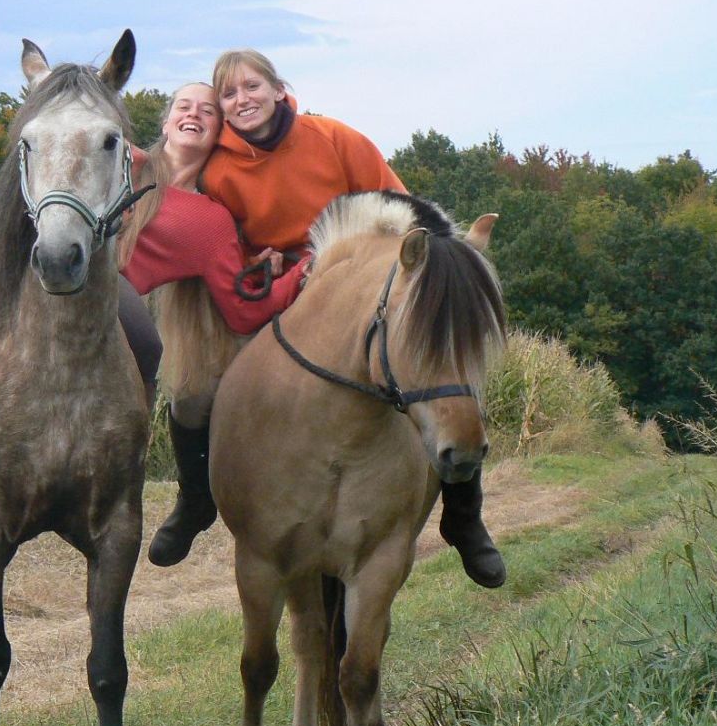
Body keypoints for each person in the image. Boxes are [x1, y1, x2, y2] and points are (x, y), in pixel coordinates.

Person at [146, 48, 506, 588]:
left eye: (252, 87)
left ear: (278, 89)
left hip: (358, 287)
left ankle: (464, 516)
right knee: (195, 392)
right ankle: (196, 500)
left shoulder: (335, 139)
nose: (242, 100)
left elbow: (408, 214)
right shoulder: (218, 169)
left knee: (444, 376)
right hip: (278, 295)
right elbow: (220, 242)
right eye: (229, 93)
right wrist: (256, 261)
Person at [0, 78, 302, 427]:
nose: (193, 113)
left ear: (220, 130)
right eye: (183, 105)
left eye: (207, 110)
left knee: (147, 347)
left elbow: (241, 306)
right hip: (42, 234)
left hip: (105, 283)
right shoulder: (116, 152)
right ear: (166, 121)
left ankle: (132, 452)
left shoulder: (209, 220)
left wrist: (296, 271)